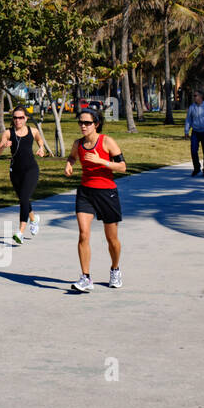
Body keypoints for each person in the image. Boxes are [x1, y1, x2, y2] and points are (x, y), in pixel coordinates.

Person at [64, 108, 127, 292]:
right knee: (83, 234)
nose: (83, 126)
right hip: (85, 192)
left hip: (107, 193)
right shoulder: (78, 144)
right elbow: (72, 156)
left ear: (96, 124)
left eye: (87, 123)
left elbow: (123, 167)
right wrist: (69, 164)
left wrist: (102, 161)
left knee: (112, 239)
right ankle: (85, 277)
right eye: (81, 123)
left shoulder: (107, 141)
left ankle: (115, 269)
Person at [0, 106, 47, 245]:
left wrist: (41, 148)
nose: (18, 120)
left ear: (26, 118)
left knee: (23, 198)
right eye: (15, 117)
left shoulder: (32, 130)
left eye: (21, 117)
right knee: (24, 199)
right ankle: (34, 219)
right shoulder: (8, 133)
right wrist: (3, 146)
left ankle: (20, 232)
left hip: (31, 170)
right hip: (15, 172)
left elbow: (39, 139)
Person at [184, 90, 204, 177]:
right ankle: (196, 168)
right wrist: (186, 131)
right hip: (195, 132)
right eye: (193, 96)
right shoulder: (192, 107)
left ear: (201, 96)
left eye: (195, 96)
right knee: (193, 151)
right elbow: (188, 120)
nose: (194, 97)